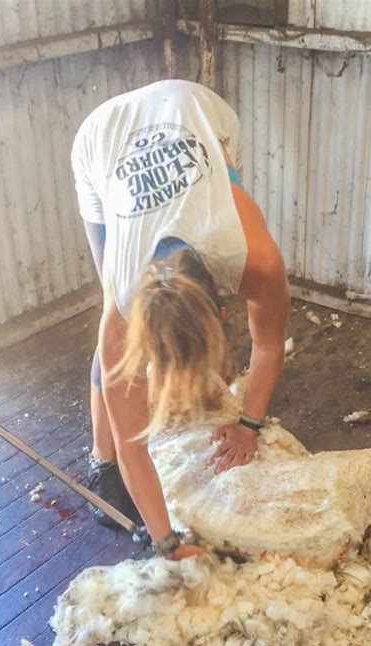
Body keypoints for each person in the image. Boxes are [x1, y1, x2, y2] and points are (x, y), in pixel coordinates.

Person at [71, 79, 290, 561]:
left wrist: (249, 425)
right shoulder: (122, 304)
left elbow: (270, 344)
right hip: (102, 139)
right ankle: (96, 459)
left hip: (193, 107)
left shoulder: (254, 258)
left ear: (224, 309)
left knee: (217, 176)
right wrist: (166, 543)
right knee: (108, 339)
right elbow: (136, 447)